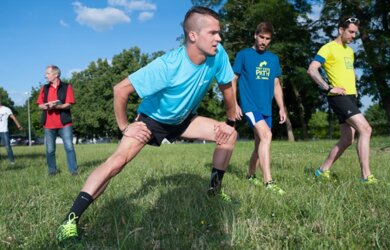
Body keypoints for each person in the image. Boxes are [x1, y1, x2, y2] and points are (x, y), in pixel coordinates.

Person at [56, 6, 237, 244]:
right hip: (152, 121)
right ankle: (70, 220)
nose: (219, 38)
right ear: (193, 35)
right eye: (213, 33)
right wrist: (125, 126)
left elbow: (227, 86)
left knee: (229, 136)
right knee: (117, 163)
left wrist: (230, 121)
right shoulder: (167, 65)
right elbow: (120, 89)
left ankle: (214, 191)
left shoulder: (218, 54)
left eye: (219, 33)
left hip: (183, 120)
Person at [307, 16, 377, 184]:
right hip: (338, 97)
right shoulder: (328, 48)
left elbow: (348, 70)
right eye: (351, 32)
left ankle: (322, 171)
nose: (354, 36)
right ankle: (366, 177)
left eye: (356, 33)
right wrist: (328, 88)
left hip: (351, 97)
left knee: (347, 139)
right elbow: (312, 69)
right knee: (366, 129)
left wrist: (355, 88)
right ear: (341, 30)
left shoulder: (350, 51)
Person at [232, 22, 287, 195]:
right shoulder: (243, 55)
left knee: (259, 144)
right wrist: (234, 103)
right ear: (255, 35)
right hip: (250, 106)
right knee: (267, 135)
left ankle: (250, 175)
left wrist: (282, 108)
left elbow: (276, 84)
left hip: (266, 107)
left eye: (267, 39)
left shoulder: (273, 59)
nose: (264, 41)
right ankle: (268, 181)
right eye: (261, 37)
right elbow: (233, 79)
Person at [37, 65, 78, 176]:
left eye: (48, 73)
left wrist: (58, 106)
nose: (46, 76)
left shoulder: (66, 86)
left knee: (69, 147)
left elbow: (69, 104)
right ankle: (52, 171)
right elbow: (40, 105)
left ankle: (74, 171)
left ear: (56, 74)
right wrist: (44, 106)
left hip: (64, 123)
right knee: (50, 150)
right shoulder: (44, 88)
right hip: (48, 124)